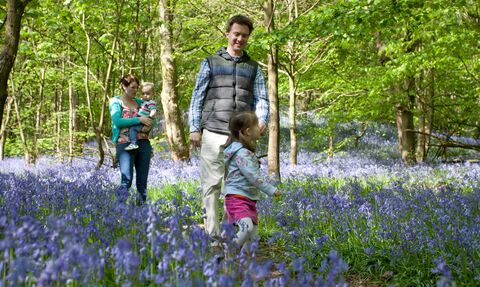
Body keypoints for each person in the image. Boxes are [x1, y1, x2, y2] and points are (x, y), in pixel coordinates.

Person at [188, 15, 270, 242]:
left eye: (244, 35)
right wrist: (194, 128)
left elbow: (262, 97)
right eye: (236, 34)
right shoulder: (211, 62)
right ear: (228, 33)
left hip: (241, 137)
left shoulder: (253, 67)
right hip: (213, 131)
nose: (240, 39)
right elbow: (198, 96)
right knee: (212, 184)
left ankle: (233, 233)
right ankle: (213, 235)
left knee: (237, 186)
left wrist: (262, 119)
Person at [223, 111, 281, 248]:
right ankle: (229, 251)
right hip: (237, 197)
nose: (260, 127)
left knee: (253, 237)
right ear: (248, 131)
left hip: (248, 198)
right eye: (256, 125)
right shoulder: (242, 153)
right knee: (247, 228)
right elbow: (253, 177)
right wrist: (272, 190)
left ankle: (244, 265)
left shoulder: (243, 151)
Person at [109, 74, 154, 204]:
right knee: (126, 180)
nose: (135, 90)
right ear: (124, 86)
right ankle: (120, 212)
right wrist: (139, 119)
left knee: (142, 182)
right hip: (124, 144)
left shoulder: (140, 102)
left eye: (137, 88)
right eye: (132, 87)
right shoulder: (116, 102)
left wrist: (149, 124)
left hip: (143, 143)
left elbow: (152, 119)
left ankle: (141, 214)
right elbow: (117, 121)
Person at [124, 82, 158, 151]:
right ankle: (149, 149)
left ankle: (133, 143)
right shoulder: (143, 101)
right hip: (141, 120)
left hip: (144, 121)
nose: (145, 95)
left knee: (133, 129)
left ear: (153, 94)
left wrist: (150, 118)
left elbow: (153, 111)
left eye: (148, 94)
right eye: (143, 94)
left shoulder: (151, 102)